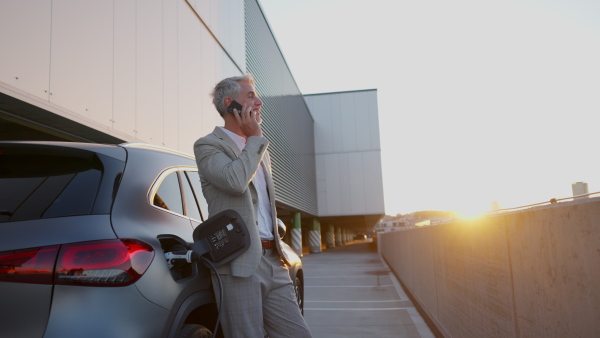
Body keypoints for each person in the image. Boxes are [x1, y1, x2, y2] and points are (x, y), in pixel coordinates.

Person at [193, 74, 312, 338]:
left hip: (274, 260)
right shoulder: (208, 145)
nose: (258, 102)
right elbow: (234, 182)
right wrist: (254, 139)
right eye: (250, 96)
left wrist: (255, 142)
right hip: (239, 264)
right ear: (230, 103)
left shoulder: (260, 150)